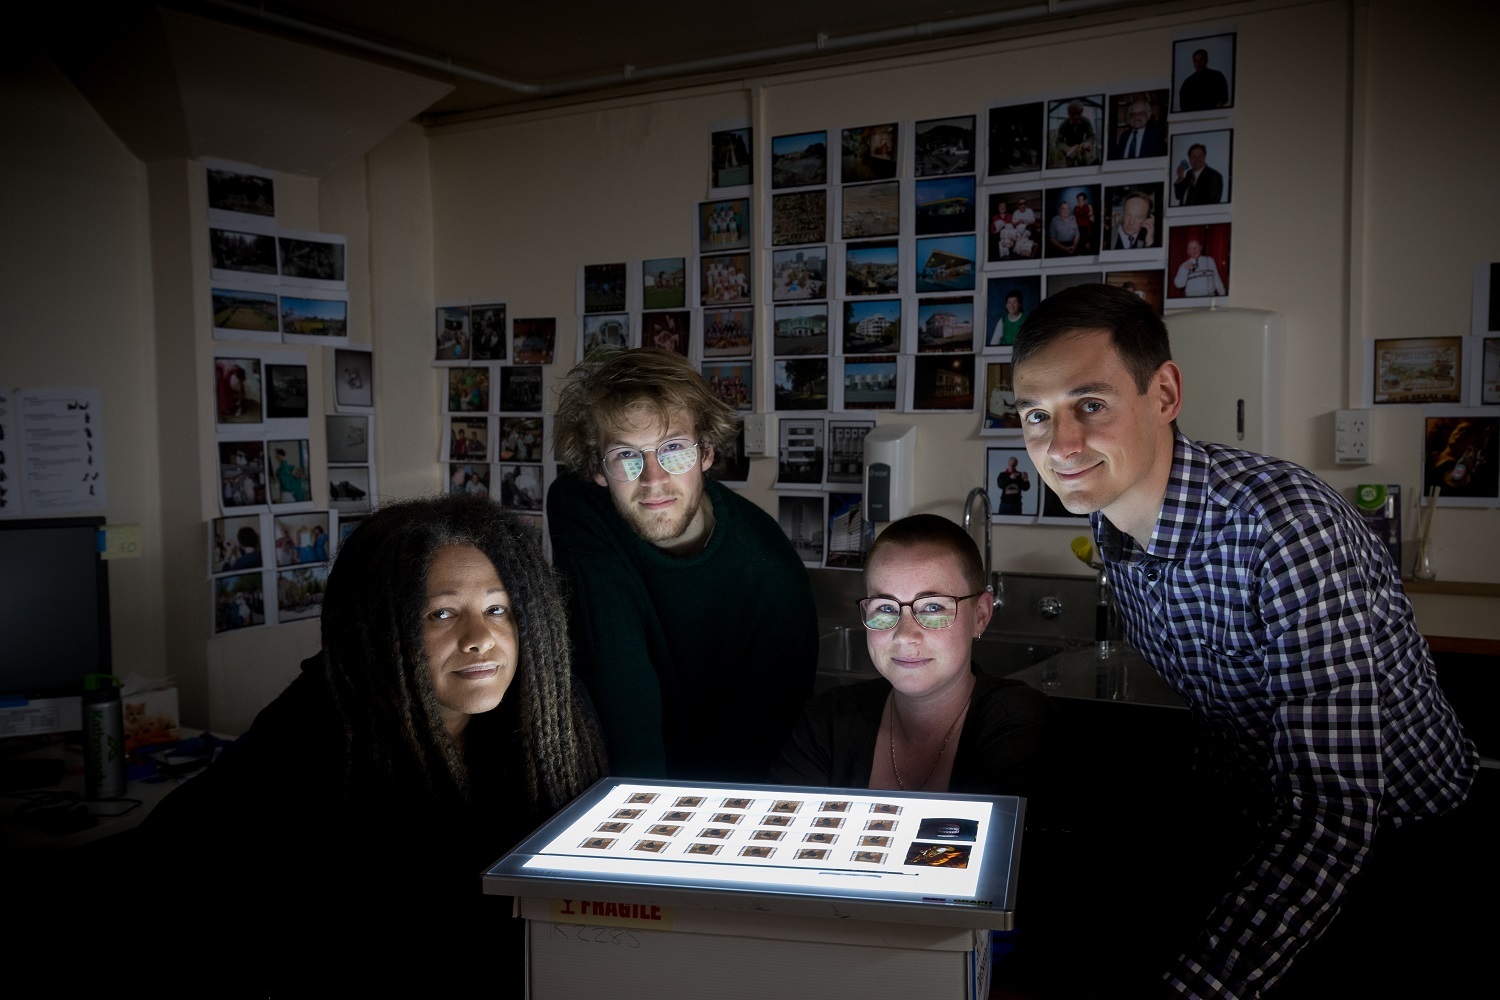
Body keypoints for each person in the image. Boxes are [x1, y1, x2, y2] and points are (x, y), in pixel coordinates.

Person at [1010, 283, 1478, 997]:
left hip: (1400, 840)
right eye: (1037, 415)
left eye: (1090, 405)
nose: (1060, 444)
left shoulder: (1284, 530)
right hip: (1259, 821)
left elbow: (1333, 808)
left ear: (1164, 393)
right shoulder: (1113, 524)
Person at [133, 494, 608, 989]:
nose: (479, 637)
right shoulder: (305, 741)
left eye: (497, 608)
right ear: (381, 628)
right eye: (441, 614)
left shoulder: (553, 711)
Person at [549, 347, 818, 782]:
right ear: (597, 468)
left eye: (672, 448)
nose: (653, 479)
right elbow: (620, 677)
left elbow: (756, 754)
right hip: (625, 786)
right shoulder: (580, 505)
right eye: (626, 456)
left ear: (707, 453)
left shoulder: (770, 577)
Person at [771, 514, 1052, 795]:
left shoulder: (1019, 723)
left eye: (932, 608)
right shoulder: (827, 721)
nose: (905, 634)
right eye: (885, 607)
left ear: (980, 615)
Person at [1178, 47, 1230, 112]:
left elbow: (1223, 97)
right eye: (1196, 61)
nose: (1198, 63)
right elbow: (1183, 105)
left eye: (1201, 59)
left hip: (1214, 115)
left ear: (1206, 60)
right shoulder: (1188, 82)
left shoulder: (1217, 76)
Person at [1055, 100, 1096, 166]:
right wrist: (1066, 148)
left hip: (1082, 150)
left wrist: (1088, 143)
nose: (1076, 117)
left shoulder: (1086, 121)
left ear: (1082, 112)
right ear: (1068, 113)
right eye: (1073, 114)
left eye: (1079, 113)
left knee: (1083, 165)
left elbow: (1091, 136)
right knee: (1070, 167)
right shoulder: (1063, 125)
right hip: (1069, 151)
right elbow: (1059, 141)